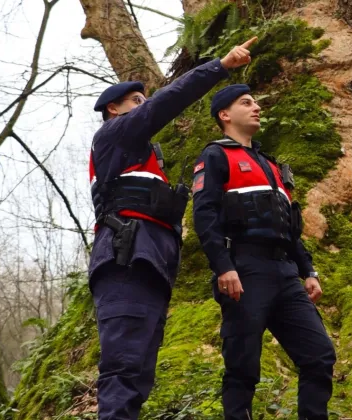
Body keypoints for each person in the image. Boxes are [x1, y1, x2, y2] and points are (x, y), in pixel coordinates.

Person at [87, 37, 258, 420]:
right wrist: (220, 66)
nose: (144, 108)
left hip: (149, 265)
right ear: (114, 109)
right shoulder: (114, 135)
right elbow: (169, 100)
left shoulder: (141, 155)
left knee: (139, 373)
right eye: (136, 103)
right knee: (123, 367)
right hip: (125, 262)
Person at [192, 84, 337, 420]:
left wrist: (309, 271)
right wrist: (223, 267)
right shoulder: (215, 156)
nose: (256, 107)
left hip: (285, 273)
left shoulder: (271, 165)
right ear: (224, 115)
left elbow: (289, 227)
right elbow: (205, 215)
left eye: (256, 101)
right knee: (242, 365)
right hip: (244, 270)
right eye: (246, 103)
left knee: (319, 355)